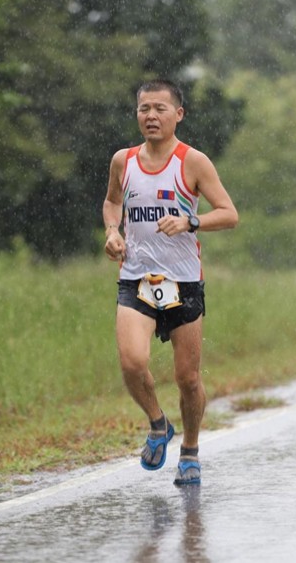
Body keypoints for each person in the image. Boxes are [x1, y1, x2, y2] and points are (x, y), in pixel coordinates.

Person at [102, 79, 238, 485]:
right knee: (131, 362)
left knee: (188, 378)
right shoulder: (122, 161)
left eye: (160, 108)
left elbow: (229, 213)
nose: (151, 116)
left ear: (178, 114)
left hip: (183, 282)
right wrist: (112, 231)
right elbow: (112, 202)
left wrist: (190, 221)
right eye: (144, 108)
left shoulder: (193, 162)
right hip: (136, 278)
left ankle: (191, 450)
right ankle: (159, 424)